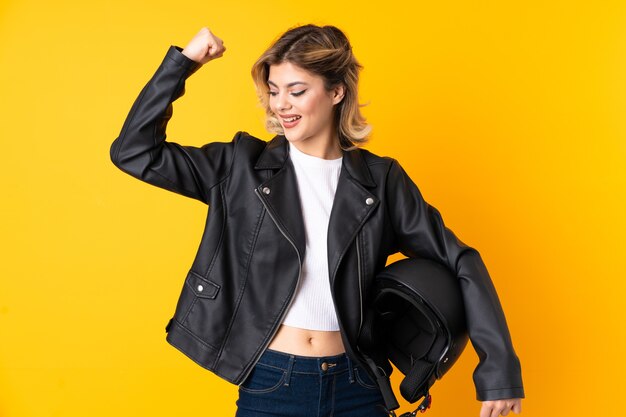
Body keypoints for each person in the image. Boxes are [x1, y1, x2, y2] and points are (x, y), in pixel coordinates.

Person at [110, 24, 524, 417]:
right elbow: (134, 152)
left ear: (336, 92)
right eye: (274, 91)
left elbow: (460, 259)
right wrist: (184, 62)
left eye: (297, 90)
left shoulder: (381, 181)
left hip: (358, 385)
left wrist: (499, 370)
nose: (281, 105)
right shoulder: (239, 166)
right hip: (272, 383)